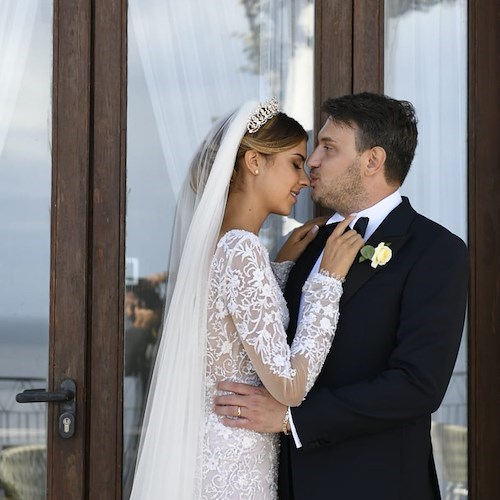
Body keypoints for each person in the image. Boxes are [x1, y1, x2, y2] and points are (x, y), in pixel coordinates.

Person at [214, 92, 469, 499]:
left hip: (375, 484)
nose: (312, 161)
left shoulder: (436, 251)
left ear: (372, 160)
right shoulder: (304, 245)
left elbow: (417, 385)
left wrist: (292, 420)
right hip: (283, 482)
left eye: (328, 148)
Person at [129, 98, 365, 499]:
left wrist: (281, 269)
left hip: (216, 450)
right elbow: (289, 386)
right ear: (254, 162)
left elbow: (234, 328)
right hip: (235, 466)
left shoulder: (219, 246)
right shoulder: (241, 250)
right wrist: (328, 281)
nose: (305, 179)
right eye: (294, 162)